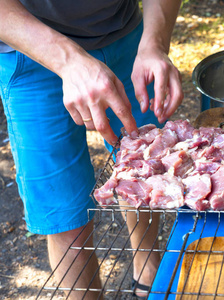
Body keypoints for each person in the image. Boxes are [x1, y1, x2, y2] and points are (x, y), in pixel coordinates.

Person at [0, 0, 184, 298]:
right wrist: (69, 60)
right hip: (28, 48)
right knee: (64, 216)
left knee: (146, 173)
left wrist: (155, 43)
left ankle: (147, 274)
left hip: (127, 37)